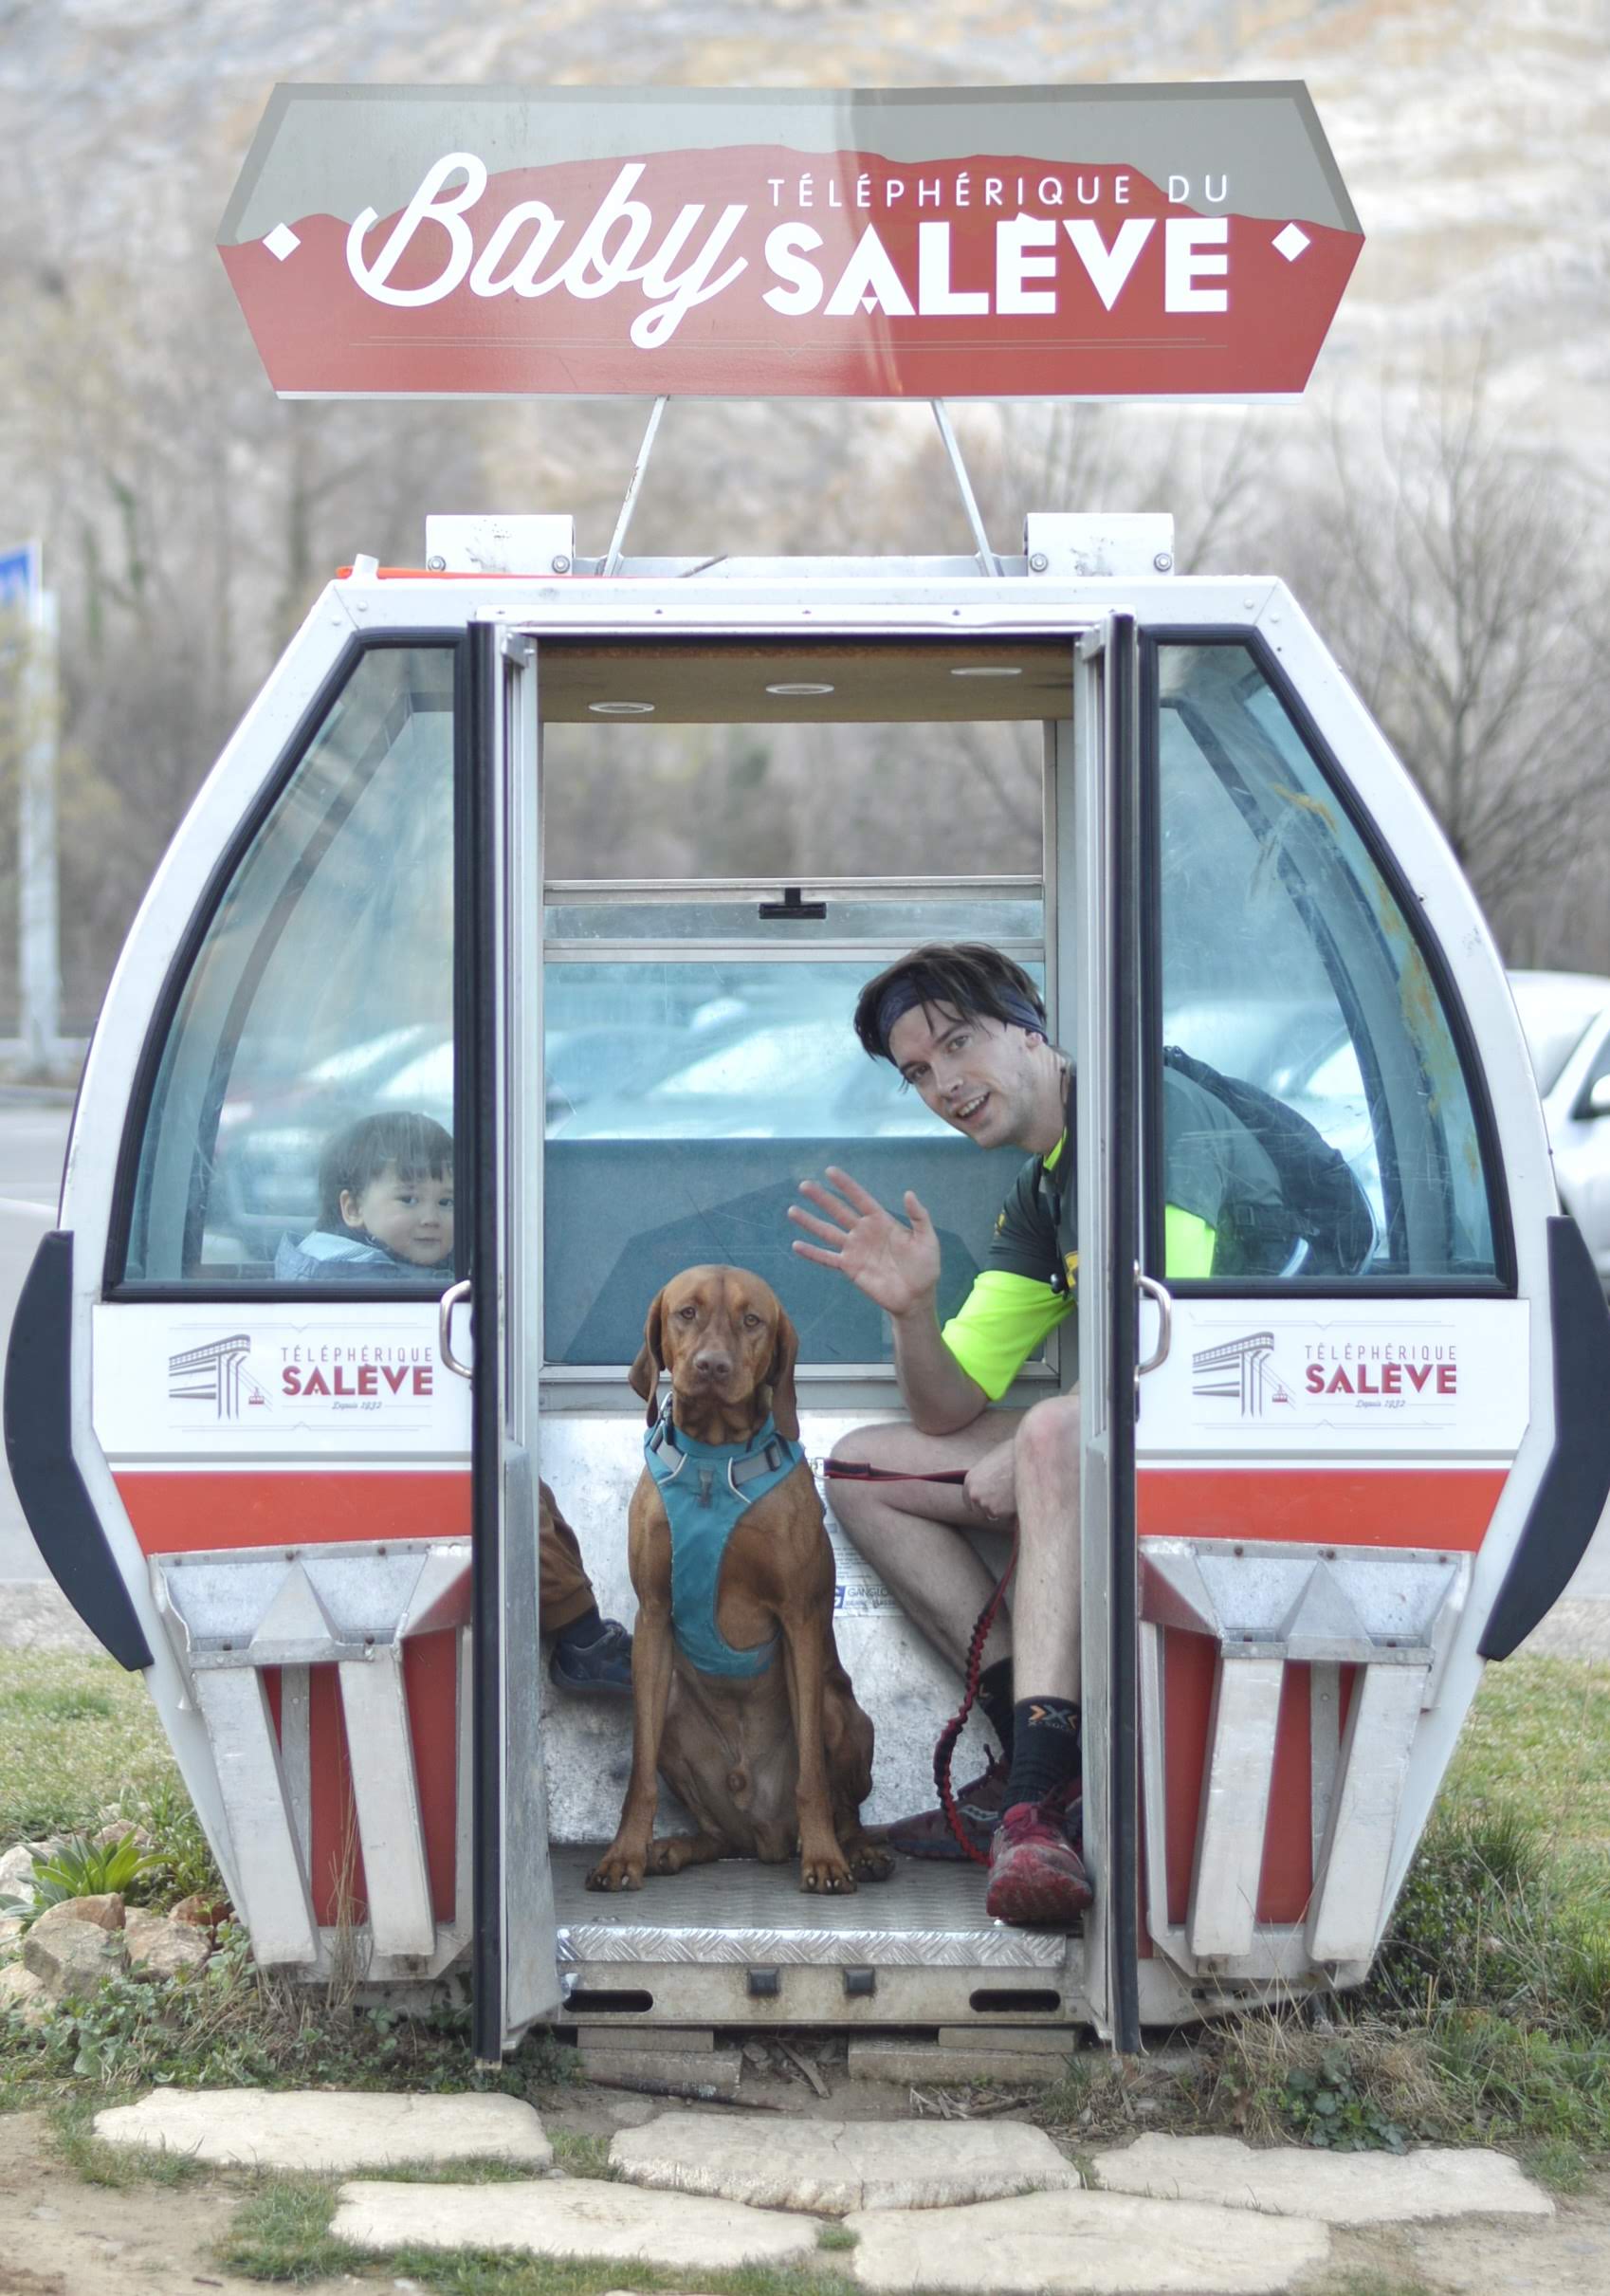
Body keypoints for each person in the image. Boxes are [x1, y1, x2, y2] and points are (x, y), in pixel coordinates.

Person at [787, 943, 1286, 1927]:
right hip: (1170, 1415)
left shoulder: (1152, 1118)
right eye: (919, 1074)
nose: (944, 1086)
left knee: (1059, 1430)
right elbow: (947, 1410)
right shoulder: (1047, 1185)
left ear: (1031, 1029)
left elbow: (1163, 1348)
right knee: (860, 1470)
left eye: (959, 1044)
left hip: (1271, 1420)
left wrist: (1036, 1447)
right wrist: (913, 1309)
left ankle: (1037, 1803)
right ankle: (1036, 1757)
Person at [277, 1108, 632, 1696]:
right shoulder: (374, 1290)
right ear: (352, 1210)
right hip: (388, 1478)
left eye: (445, 1203)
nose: (430, 1219)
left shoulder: (334, 1264)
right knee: (513, 1496)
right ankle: (581, 1637)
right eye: (410, 1199)